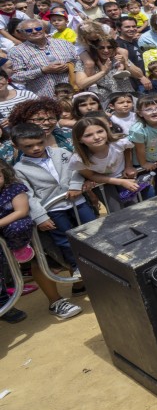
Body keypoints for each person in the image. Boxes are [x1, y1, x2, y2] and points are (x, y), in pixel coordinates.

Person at [11, 122, 96, 285]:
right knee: (64, 239)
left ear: (45, 138)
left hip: (78, 201)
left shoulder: (61, 152)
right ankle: (77, 265)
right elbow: (27, 194)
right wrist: (40, 216)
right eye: (29, 146)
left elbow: (77, 170)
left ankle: (107, 258)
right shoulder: (19, 169)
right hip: (53, 209)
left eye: (39, 143)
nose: (36, 148)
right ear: (16, 145)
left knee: (93, 228)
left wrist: (76, 185)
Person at [0, 158, 82, 320]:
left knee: (52, 256)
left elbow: (24, 205)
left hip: (37, 225)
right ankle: (55, 301)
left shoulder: (13, 187)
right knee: (42, 261)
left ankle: (78, 289)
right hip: (38, 223)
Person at [7, 19, 80, 99]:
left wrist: (69, 66)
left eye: (38, 29)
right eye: (29, 30)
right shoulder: (16, 52)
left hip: (73, 94)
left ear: (44, 29)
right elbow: (15, 76)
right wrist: (42, 70)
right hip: (44, 98)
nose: (34, 32)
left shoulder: (63, 43)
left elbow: (79, 62)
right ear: (22, 34)